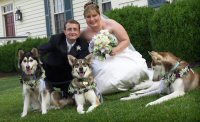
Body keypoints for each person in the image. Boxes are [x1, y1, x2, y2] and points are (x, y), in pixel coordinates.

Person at [81, 2, 153, 95]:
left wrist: (116, 50)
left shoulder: (111, 24)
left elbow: (125, 40)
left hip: (119, 53)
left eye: (94, 15)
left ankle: (132, 83)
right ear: (85, 18)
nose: (92, 19)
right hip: (101, 59)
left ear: (99, 15)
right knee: (106, 73)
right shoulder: (84, 33)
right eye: (88, 17)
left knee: (137, 67)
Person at [38, 19, 90, 99]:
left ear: (79, 33)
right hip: (52, 73)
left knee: (70, 98)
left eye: (75, 29)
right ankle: (49, 91)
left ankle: (65, 93)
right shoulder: (56, 40)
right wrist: (39, 62)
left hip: (69, 77)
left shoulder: (83, 45)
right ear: (65, 32)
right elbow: (40, 51)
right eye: (69, 29)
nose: (72, 32)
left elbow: (82, 64)